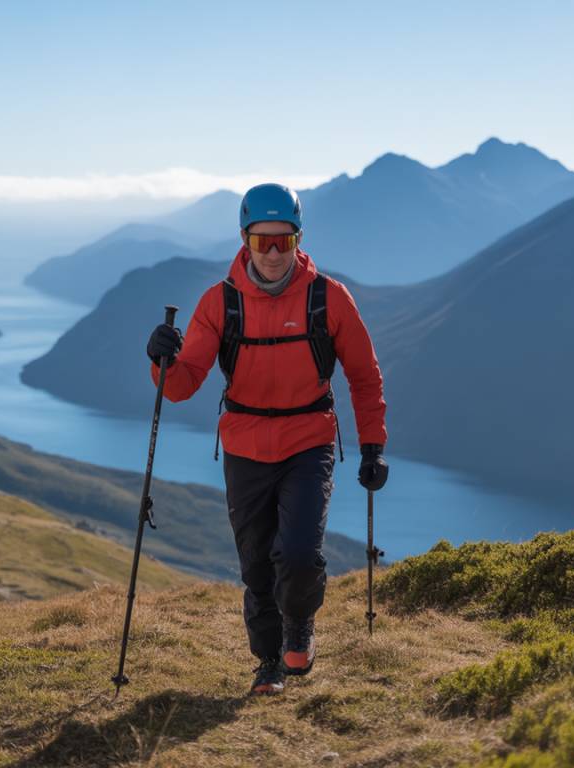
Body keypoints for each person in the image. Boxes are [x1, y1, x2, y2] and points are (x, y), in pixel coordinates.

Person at [146, 183, 388, 695]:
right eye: (263, 242)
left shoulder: (329, 299)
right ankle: (269, 663)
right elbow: (184, 383)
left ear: (299, 239)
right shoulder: (221, 303)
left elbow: (364, 375)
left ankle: (299, 628)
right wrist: (161, 358)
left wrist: (373, 446)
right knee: (256, 563)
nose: (274, 254)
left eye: (284, 241)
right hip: (244, 445)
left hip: (309, 440)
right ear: (244, 239)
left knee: (299, 553)